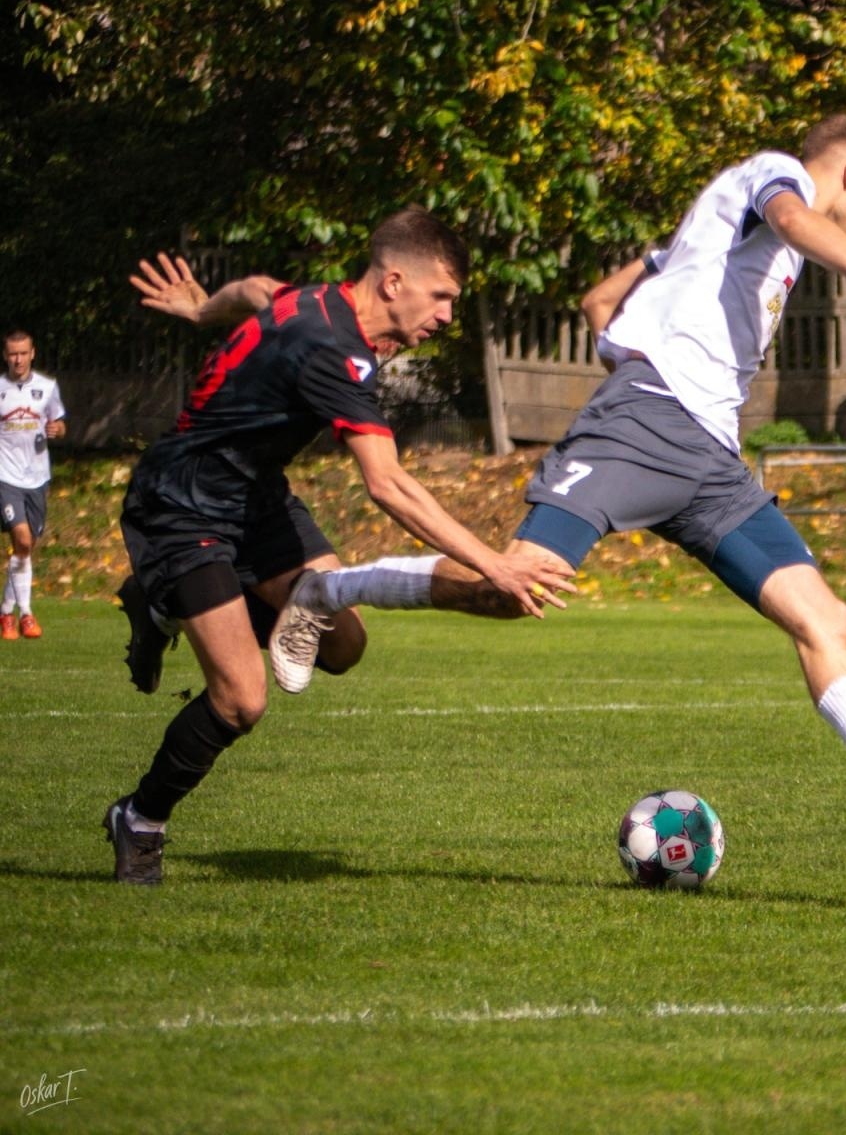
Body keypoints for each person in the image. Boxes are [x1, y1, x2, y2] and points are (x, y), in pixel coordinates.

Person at [272, 113, 846, 850]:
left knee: (827, 620)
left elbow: (603, 299)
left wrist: (630, 333)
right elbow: (795, 220)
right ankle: (325, 591)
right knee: (512, 589)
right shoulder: (775, 176)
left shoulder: (725, 234)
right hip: (644, 424)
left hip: (712, 463)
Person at [102, 209, 574, 885]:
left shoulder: (317, 302)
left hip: (257, 501)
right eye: (440, 296)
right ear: (392, 281)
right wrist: (494, 563)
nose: (446, 315)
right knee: (242, 699)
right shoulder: (333, 351)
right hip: (182, 504)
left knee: (343, 646)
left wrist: (204, 307)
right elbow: (388, 486)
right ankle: (140, 820)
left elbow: (258, 290)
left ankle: (174, 604)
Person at [0, 329, 67, 640]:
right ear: (5, 356)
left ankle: (5, 613)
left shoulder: (47, 387)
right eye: (13, 353)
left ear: (32, 353)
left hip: (38, 478)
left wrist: (57, 429)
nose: (18, 359)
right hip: (6, 477)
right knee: (23, 541)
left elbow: (60, 423)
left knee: (24, 551)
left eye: (23, 353)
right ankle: (26, 615)